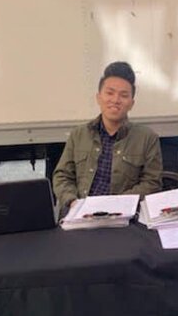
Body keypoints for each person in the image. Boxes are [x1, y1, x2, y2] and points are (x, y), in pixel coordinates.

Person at [53, 61, 163, 211]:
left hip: (123, 217)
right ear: (99, 97)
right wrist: (73, 202)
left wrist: (117, 204)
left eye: (123, 95)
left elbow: (152, 183)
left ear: (132, 103)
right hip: (81, 214)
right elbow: (62, 176)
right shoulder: (78, 135)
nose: (116, 100)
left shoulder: (147, 138)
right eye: (110, 93)